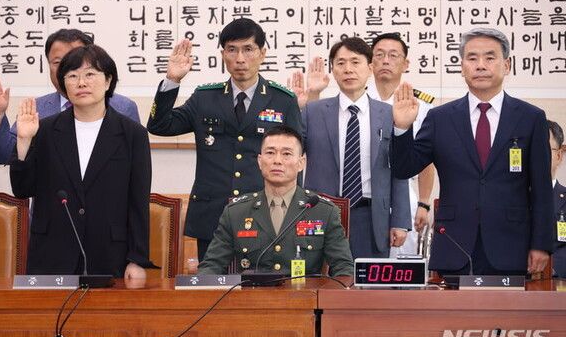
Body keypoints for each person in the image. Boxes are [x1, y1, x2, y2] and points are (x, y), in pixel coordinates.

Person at [392, 27, 553, 276]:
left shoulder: (530, 118)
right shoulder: (440, 118)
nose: (480, 65)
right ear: (462, 67)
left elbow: (542, 188)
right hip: (454, 244)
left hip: (511, 245)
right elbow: (404, 168)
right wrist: (402, 129)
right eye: (472, 58)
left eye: (490, 57)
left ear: (507, 65)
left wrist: (541, 244)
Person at [147, 18, 302, 261]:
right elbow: (159, 125)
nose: (240, 58)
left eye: (248, 49)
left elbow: (295, 161)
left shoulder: (283, 100)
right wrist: (172, 80)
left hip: (266, 215)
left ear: (262, 54)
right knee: (212, 283)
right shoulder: (205, 98)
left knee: (265, 284)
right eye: (232, 50)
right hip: (212, 217)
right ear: (222, 55)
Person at [10, 44, 155, 279]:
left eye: (90, 74)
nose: (81, 83)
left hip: (109, 255)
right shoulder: (44, 130)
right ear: (63, 85)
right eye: (72, 76)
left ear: (108, 81)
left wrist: (137, 259)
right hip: (52, 255)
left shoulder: (132, 134)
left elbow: (138, 201)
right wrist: (24, 141)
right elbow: (22, 189)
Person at [299, 37, 411, 259]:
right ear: (333, 70)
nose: (348, 69)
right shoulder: (312, 112)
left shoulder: (389, 114)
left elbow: (399, 169)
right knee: (321, 279)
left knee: (367, 280)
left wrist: (400, 221)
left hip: (371, 217)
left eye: (355, 62)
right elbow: (291, 157)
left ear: (370, 67)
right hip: (321, 213)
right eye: (340, 63)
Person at [199, 125, 354, 276]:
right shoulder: (236, 212)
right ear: (260, 161)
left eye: (286, 154)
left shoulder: (323, 211)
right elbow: (212, 266)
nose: (277, 160)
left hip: (304, 293)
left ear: (301, 163)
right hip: (252, 293)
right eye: (270, 153)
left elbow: (344, 269)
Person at [0, 28, 140, 165]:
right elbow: (4, 155)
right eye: (57, 62)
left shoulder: (123, 108)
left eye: (75, 60)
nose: (66, 68)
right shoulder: (36, 109)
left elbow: (135, 164)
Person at [369, 33, 436, 257]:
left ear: (406, 64)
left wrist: (424, 203)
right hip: (367, 194)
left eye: (393, 55)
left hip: (405, 194)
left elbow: (426, 159)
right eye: (379, 55)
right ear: (370, 63)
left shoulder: (421, 105)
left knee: (403, 263)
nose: (385, 61)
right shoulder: (361, 101)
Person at [548, 120, 566, 278]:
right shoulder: (506, 198)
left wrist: (547, 267)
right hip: (510, 283)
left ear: (559, 155)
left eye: (543, 149)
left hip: (557, 283)